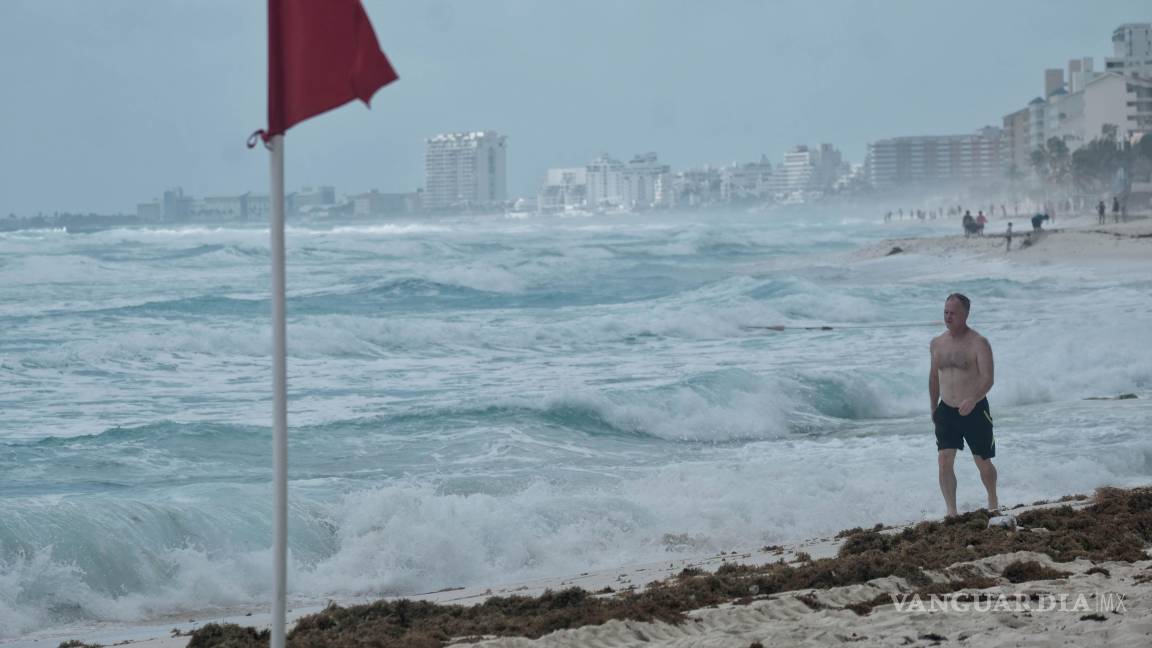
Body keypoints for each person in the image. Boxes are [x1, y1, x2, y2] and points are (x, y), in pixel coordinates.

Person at [929, 293, 997, 517]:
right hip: (946, 410)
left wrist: (973, 398)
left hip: (974, 409)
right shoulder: (937, 343)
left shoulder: (979, 343)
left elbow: (988, 378)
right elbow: (934, 377)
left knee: (983, 463)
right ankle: (951, 511)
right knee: (944, 460)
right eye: (945, 312)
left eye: (953, 313)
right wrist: (933, 407)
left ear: (965, 314)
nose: (948, 317)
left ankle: (993, 500)